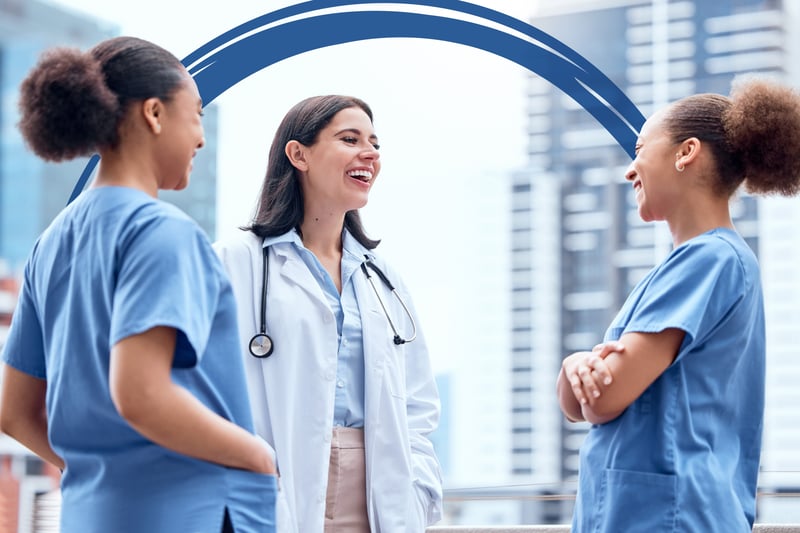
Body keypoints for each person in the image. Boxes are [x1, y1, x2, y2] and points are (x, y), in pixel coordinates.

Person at [0, 36, 278, 533]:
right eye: (195, 114)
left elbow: (14, 413)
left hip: (94, 514)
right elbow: (141, 394)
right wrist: (256, 455)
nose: (201, 137)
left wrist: (93, 468)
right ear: (153, 113)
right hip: (192, 510)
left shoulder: (51, 244)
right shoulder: (161, 232)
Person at [557, 76, 800, 532]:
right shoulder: (696, 264)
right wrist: (577, 364)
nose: (629, 170)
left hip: (670, 517)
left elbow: (604, 397)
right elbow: (578, 402)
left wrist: (588, 373)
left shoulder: (710, 259)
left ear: (685, 152)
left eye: (640, 148)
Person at [214, 95, 443, 532]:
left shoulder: (383, 280)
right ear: (298, 154)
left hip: (379, 496)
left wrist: (419, 489)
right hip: (275, 486)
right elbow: (202, 388)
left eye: (375, 143)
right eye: (350, 139)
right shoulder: (236, 263)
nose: (370, 153)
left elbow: (418, 403)